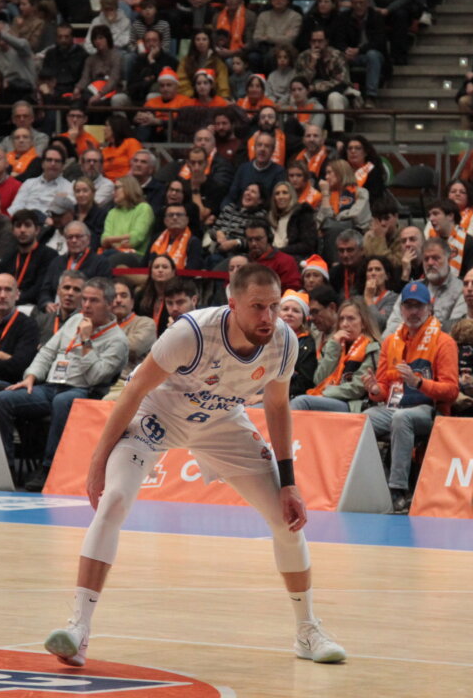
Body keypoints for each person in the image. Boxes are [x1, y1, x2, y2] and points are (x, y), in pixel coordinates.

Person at [43, 264, 347, 667]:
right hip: (158, 417)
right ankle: (78, 628)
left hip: (222, 424)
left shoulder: (284, 342)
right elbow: (135, 388)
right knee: (114, 500)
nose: (268, 317)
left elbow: (276, 406)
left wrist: (288, 482)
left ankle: (307, 630)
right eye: (257, 307)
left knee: (286, 518)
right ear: (232, 303)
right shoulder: (192, 332)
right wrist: (98, 461)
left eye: (274, 306)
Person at [0, 277, 128, 491]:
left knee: (63, 401)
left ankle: (48, 468)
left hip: (84, 391)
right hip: (50, 386)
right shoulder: (75, 320)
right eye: (84, 300)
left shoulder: (118, 340)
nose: (85, 305)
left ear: (110, 304)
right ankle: (5, 467)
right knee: (4, 399)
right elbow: (48, 351)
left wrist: (86, 342)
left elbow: (96, 377)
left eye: (93, 301)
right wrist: (31, 376)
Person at [363, 280, 459, 514]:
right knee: (362, 420)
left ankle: (398, 491)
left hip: (429, 410)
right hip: (394, 407)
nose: (413, 312)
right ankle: (377, 485)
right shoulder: (390, 342)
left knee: (402, 419)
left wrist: (419, 383)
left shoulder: (444, 342)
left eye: (419, 306)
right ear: (401, 309)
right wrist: (375, 391)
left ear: (429, 308)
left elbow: (452, 390)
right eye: (408, 306)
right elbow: (384, 388)